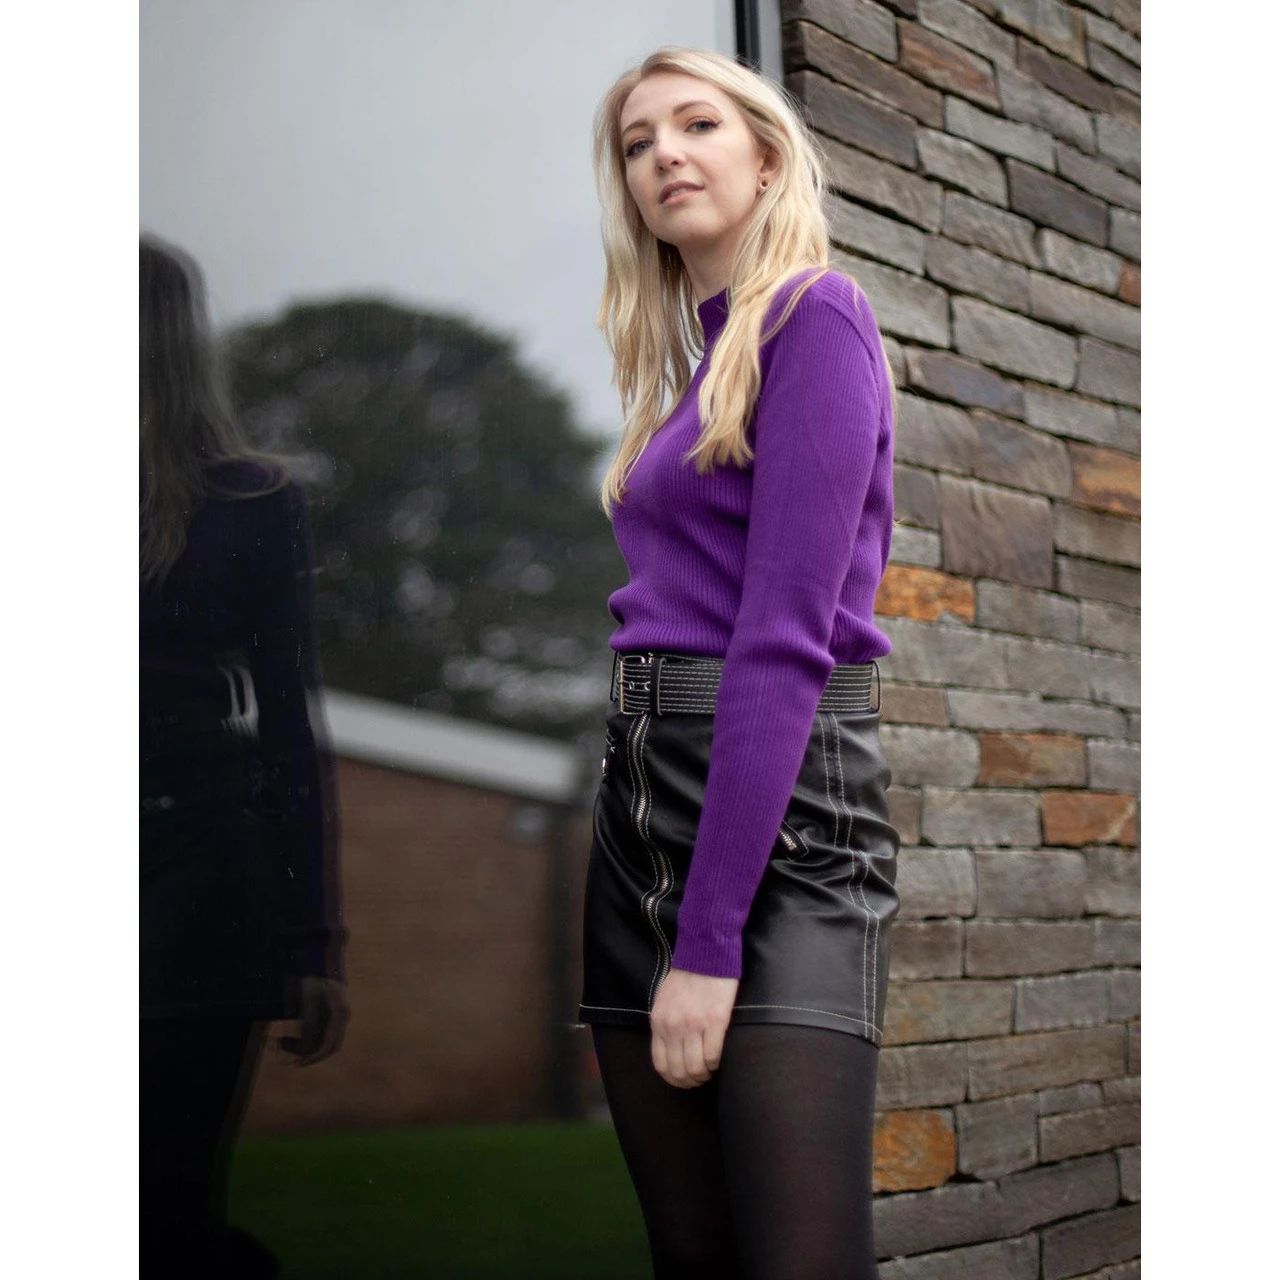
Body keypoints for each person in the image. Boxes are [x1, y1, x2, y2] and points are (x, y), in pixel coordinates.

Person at [578, 48, 899, 1280]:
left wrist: (709, 942)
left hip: (784, 816)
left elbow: (780, 640)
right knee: (692, 1250)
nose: (662, 152)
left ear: (765, 158)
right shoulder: (690, 372)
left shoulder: (815, 317)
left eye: (696, 123)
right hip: (639, 802)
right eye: (636, 141)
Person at [139, 234, 348, 1278]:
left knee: (160, 1206)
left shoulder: (252, 499)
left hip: (199, 867)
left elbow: (289, 725)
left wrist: (314, 943)